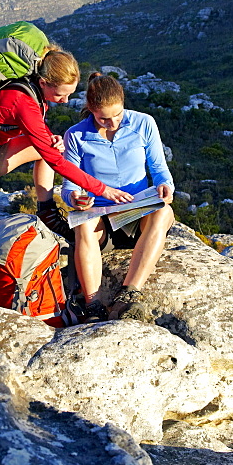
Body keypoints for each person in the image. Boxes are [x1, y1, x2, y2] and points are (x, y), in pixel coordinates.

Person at [0, 45, 133, 304]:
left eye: (70, 95)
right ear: (43, 82)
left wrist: (47, 140)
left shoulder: (34, 93)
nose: (64, 101)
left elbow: (15, 128)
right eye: (60, 94)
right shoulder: (23, 100)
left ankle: (46, 211)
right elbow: (57, 162)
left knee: (48, 147)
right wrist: (102, 189)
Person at [62, 73, 175, 321]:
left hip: (137, 213)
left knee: (164, 212)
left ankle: (129, 294)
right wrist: (76, 198)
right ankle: (92, 304)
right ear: (90, 109)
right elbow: (68, 187)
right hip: (100, 217)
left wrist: (166, 186)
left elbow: (159, 169)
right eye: (104, 118)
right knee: (83, 223)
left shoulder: (144, 123)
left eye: (118, 115)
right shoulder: (75, 136)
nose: (113, 123)